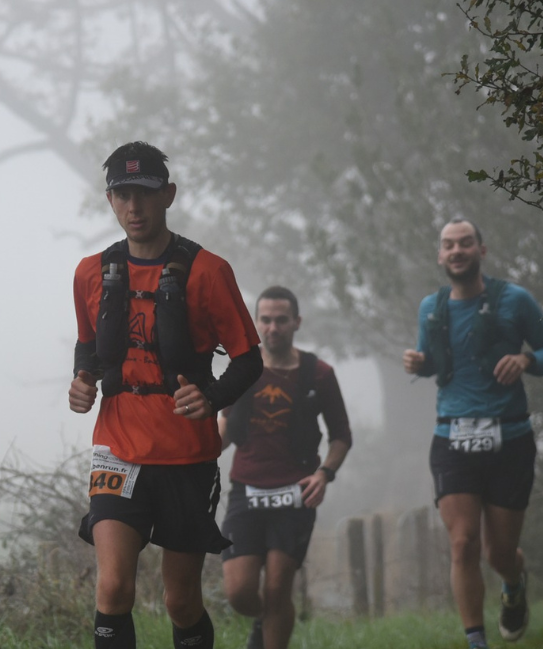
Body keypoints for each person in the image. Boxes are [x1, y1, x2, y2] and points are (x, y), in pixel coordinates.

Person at [69, 141, 263, 649]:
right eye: (123, 194)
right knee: (113, 587)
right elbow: (88, 344)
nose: (135, 207)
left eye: (146, 194)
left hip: (185, 453)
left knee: (181, 600)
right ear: (110, 199)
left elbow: (249, 358)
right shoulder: (92, 271)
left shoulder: (209, 271)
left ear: (169, 195)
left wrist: (213, 397)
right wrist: (82, 380)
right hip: (117, 443)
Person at [403, 218, 543, 649]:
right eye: (449, 245)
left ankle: (514, 584)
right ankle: (476, 640)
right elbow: (436, 362)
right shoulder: (430, 308)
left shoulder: (515, 299)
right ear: (440, 255)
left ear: (481, 250)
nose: (456, 250)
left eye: (465, 243)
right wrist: (420, 364)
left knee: (499, 554)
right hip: (452, 437)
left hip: (509, 438)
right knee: (463, 542)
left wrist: (527, 361)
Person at [218, 286, 352, 649]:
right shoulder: (243, 368)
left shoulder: (319, 374)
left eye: (281, 320)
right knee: (239, 593)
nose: (272, 327)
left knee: (278, 589)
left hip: (296, 494)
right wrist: (191, 450)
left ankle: (272, 629)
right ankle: (262, 621)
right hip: (246, 490)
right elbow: (225, 430)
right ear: (256, 322)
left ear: (296, 322)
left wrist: (324, 474)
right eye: (265, 319)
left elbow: (341, 436)